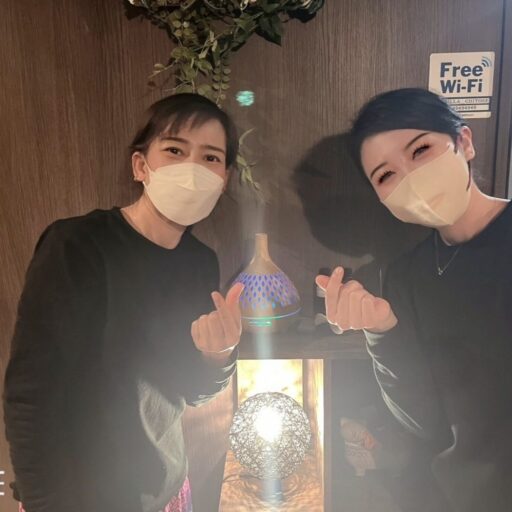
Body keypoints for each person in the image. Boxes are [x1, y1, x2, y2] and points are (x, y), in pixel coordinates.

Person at [3, 93, 244, 512]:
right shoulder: (76, 244)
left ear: (224, 178)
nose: (192, 169)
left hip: (167, 491)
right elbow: (30, 394)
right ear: (140, 166)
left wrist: (218, 356)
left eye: (210, 158)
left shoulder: (200, 262)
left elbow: (190, 392)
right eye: (175, 150)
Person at [316, 88, 512, 511]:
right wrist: (381, 332)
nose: (410, 178)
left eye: (421, 150)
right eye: (386, 175)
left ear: (464, 142)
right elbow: (425, 422)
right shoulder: (406, 275)